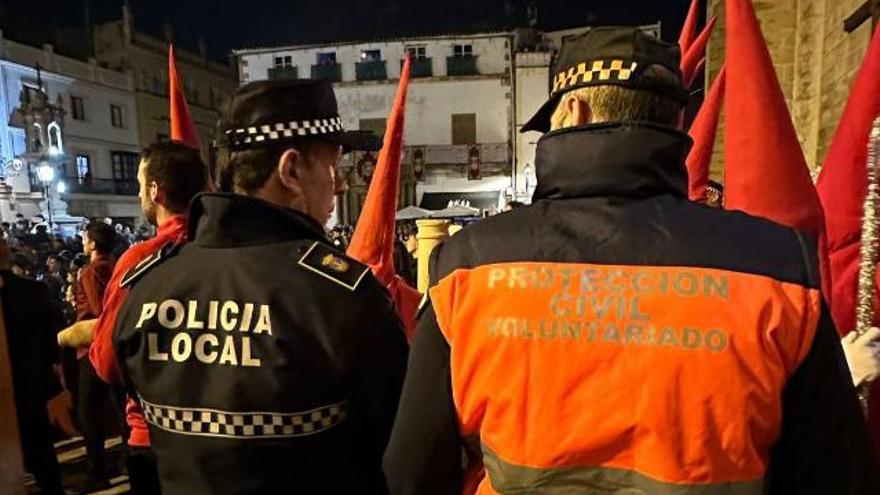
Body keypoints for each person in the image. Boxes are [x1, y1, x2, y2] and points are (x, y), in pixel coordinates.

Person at [384, 27, 880, 494]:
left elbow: (410, 475)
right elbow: (835, 475)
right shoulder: (777, 268)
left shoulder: (468, 267)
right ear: (675, 123)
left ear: (573, 112)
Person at [112, 78, 409, 495]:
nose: (339, 184)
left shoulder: (147, 285)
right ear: (290, 171)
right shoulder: (342, 298)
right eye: (331, 165)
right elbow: (400, 452)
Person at [84, 141, 209, 495]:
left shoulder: (140, 261)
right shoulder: (230, 251)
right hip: (222, 433)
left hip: (155, 435)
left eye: (140, 185)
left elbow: (107, 363)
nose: (140, 193)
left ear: (156, 190)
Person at [57, 221, 119, 490]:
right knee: (119, 406)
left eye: (85, 238)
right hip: (114, 347)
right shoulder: (117, 266)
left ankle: (97, 470)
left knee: (88, 411)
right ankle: (128, 460)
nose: (82, 241)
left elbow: (99, 310)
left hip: (92, 348)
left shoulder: (92, 271)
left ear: (93, 244)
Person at [0, 239, 65, 494]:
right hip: (32, 387)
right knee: (43, 459)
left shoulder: (33, 291)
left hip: (22, 389)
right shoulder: (34, 292)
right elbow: (51, 342)